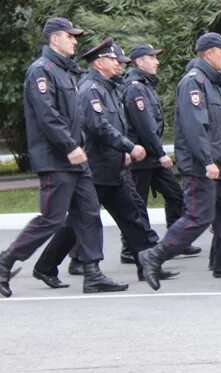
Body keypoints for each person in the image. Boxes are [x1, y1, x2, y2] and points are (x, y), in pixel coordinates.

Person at [33, 39, 179, 284]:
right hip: (97, 168)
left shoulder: (110, 87)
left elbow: (115, 124)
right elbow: (99, 127)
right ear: (99, 63)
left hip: (113, 166)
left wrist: (122, 152)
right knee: (79, 222)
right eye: (115, 61)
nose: (120, 65)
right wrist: (129, 146)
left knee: (131, 216)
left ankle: (147, 265)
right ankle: (46, 266)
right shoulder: (91, 89)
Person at [0, 18, 127, 297]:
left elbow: (75, 118)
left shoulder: (66, 72)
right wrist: (70, 147)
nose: (75, 41)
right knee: (53, 218)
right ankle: (5, 262)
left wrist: (79, 149)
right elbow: (48, 116)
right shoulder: (41, 71)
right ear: (54, 39)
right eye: (70, 37)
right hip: (55, 158)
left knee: (89, 213)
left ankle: (92, 273)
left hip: (75, 160)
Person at [139, 32, 221, 291]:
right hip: (203, 168)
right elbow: (196, 126)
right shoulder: (193, 83)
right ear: (208, 54)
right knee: (198, 217)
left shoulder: (217, 82)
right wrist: (207, 161)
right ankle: (154, 256)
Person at [122, 44, 201, 261]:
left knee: (175, 195)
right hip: (142, 156)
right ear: (139, 62)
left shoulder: (145, 85)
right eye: (152, 58)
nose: (157, 62)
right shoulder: (135, 87)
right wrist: (160, 152)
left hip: (151, 156)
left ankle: (175, 242)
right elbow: (145, 126)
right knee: (137, 202)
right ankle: (131, 248)